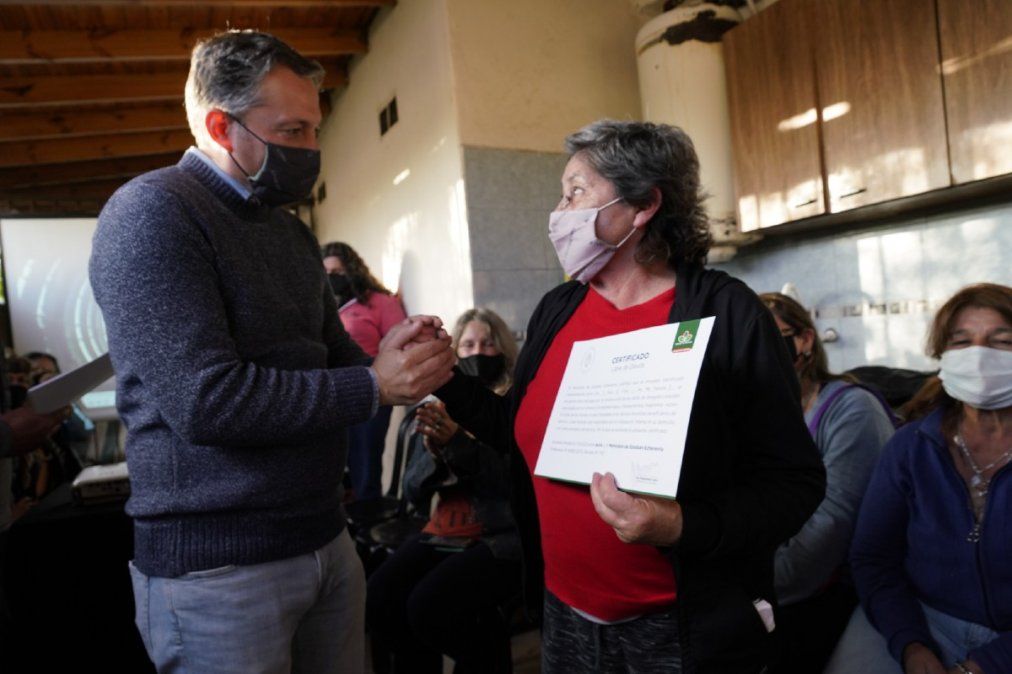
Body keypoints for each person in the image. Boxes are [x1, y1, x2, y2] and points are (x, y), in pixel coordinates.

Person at [88, 31, 454, 674]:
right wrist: (373, 386)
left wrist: (391, 352)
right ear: (221, 126)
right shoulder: (152, 213)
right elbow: (207, 401)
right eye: (293, 131)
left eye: (313, 129)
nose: (312, 150)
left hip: (323, 537)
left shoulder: (289, 233)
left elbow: (337, 355)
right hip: (219, 568)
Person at [433, 120, 826, 674]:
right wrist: (445, 376)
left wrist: (681, 525)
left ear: (642, 206)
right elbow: (516, 429)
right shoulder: (558, 309)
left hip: (680, 628)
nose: (559, 210)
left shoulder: (727, 313)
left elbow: (794, 483)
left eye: (575, 192)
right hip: (564, 613)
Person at [846, 283, 1012, 674]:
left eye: (1001, 341)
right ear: (942, 355)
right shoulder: (911, 447)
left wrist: (988, 664)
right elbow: (872, 558)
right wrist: (911, 644)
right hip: (924, 619)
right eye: (962, 342)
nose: (979, 356)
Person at [367, 308, 522, 674]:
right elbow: (413, 491)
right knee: (381, 596)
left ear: (503, 349)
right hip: (448, 529)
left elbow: (511, 486)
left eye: (487, 343)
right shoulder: (439, 404)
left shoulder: (513, 404)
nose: (478, 352)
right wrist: (438, 450)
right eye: (468, 344)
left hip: (502, 535)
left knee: (431, 606)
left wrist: (460, 444)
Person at [759, 292, 896, 674]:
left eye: (770, 338)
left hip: (835, 590)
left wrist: (753, 586)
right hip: (774, 587)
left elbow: (829, 531)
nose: (757, 353)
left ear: (804, 340)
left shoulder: (851, 410)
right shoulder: (759, 416)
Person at [321, 241, 407, 500]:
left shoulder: (380, 302)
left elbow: (398, 344)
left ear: (354, 271)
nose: (331, 279)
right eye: (325, 274)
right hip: (331, 392)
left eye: (337, 272)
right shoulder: (323, 307)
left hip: (372, 391)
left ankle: (367, 518)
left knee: (366, 461)